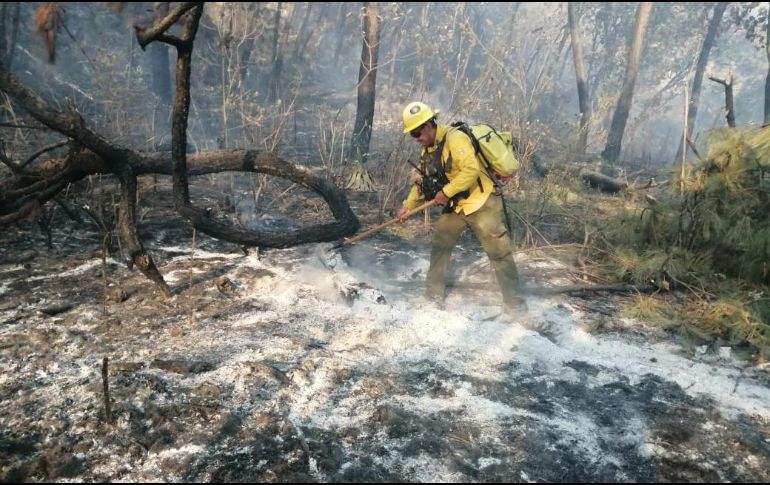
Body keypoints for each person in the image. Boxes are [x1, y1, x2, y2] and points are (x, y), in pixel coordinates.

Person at [396, 101, 526, 310]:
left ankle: (516, 306)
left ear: (429, 125)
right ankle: (433, 296)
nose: (416, 139)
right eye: (412, 135)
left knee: (499, 254)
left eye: (417, 133)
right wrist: (408, 206)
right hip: (457, 207)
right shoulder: (428, 151)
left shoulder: (455, 139)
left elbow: (471, 171)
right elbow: (422, 182)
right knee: (440, 245)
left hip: (481, 203)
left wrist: (445, 193)